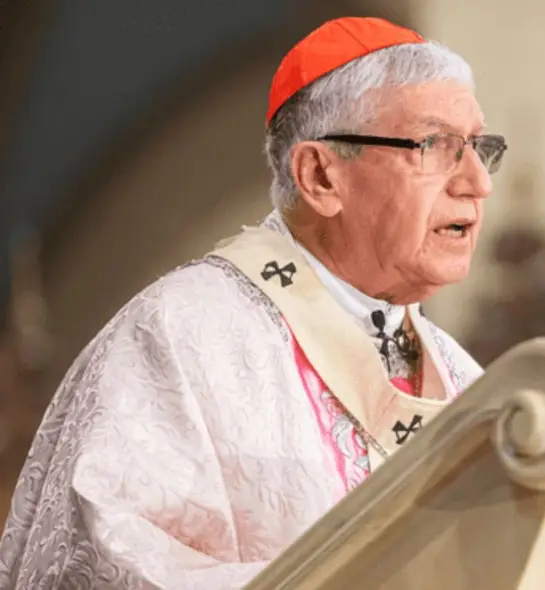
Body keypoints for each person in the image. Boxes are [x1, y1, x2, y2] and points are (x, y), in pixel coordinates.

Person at [0, 16, 507, 589]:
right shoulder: (179, 336)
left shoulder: (467, 380)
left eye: (478, 148)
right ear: (320, 176)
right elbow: (104, 560)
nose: (477, 183)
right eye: (437, 146)